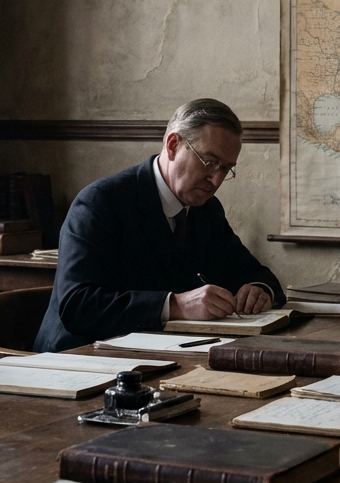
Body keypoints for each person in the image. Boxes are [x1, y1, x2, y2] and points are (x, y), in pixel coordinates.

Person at [34, 98, 285, 353]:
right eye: (209, 162)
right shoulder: (100, 202)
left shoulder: (207, 210)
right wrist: (176, 305)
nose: (216, 179)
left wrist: (259, 290)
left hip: (159, 353)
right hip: (77, 356)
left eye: (226, 168)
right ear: (173, 145)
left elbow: (255, 273)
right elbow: (78, 305)